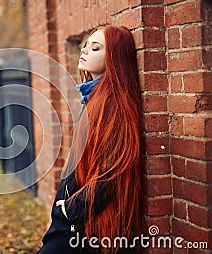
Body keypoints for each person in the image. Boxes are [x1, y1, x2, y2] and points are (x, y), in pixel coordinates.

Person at [36, 25, 142, 254]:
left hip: (88, 227)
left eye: (95, 48)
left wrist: (70, 209)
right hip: (77, 222)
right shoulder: (93, 98)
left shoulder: (112, 104)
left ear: (114, 58)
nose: (84, 51)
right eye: (85, 45)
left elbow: (112, 172)